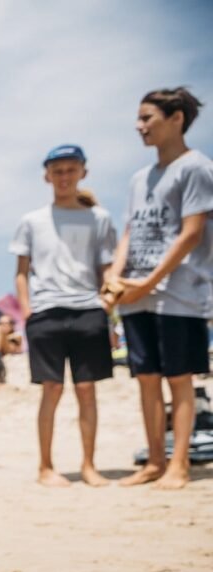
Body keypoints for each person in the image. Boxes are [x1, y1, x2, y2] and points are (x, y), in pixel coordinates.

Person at [106, 86, 211, 490]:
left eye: (147, 117)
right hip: (135, 296)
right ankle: (154, 460)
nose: (139, 126)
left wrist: (148, 283)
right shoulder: (139, 178)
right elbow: (129, 232)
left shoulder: (196, 168)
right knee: (146, 378)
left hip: (179, 294)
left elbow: (191, 233)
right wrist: (116, 278)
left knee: (179, 378)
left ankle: (179, 463)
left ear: (176, 118)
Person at [11, 144, 118, 487]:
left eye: (71, 169)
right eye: (57, 171)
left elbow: (107, 268)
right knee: (52, 389)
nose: (64, 177)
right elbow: (21, 272)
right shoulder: (32, 221)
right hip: (46, 312)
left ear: (83, 172)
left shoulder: (99, 218)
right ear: (47, 176)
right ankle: (46, 466)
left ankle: (89, 465)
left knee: (87, 389)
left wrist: (108, 307)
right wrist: (27, 311)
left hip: (89, 309)